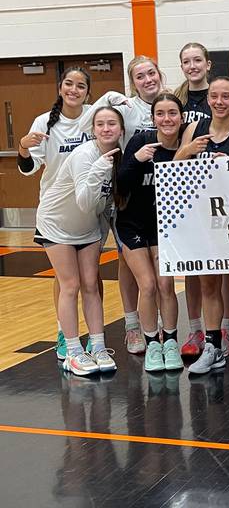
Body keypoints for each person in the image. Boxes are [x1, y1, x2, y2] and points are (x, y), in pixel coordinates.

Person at [79, 56, 169, 355]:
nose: (147, 80)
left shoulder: (172, 102)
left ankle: (159, 328)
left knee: (160, 271)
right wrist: (106, 97)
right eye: (140, 76)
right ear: (133, 82)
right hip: (129, 191)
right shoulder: (126, 108)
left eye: (151, 73)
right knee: (128, 263)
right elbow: (87, 123)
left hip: (163, 194)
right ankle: (133, 326)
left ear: (160, 75)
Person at [175, 76, 229, 376]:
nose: (219, 101)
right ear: (208, 98)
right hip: (202, 221)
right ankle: (213, 346)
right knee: (209, 285)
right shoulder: (193, 130)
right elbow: (174, 171)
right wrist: (187, 151)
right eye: (214, 96)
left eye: (226, 96)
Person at [36, 107, 125, 376]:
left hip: (86, 229)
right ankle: (73, 351)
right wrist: (99, 168)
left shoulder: (120, 156)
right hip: (57, 224)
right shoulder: (84, 155)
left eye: (112, 124)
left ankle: (97, 346)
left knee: (91, 285)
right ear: (93, 129)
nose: (106, 128)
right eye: (100, 124)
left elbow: (103, 206)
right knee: (70, 285)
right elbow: (86, 203)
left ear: (121, 129)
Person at [18, 67, 94, 360]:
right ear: (60, 87)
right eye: (68, 84)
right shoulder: (44, 122)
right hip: (57, 212)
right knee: (66, 280)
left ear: (88, 92)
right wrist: (23, 148)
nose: (74, 90)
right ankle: (65, 332)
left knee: (90, 280)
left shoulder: (93, 116)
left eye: (80, 86)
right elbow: (28, 169)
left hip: (89, 209)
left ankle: (93, 335)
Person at [116, 93, 185, 372]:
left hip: (164, 226)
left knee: (166, 285)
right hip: (131, 224)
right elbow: (120, 183)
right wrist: (135, 159)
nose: (166, 119)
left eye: (172, 113)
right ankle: (151, 343)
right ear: (153, 117)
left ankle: (170, 341)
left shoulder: (185, 146)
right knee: (147, 285)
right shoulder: (141, 141)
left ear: (182, 117)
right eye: (160, 114)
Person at [174, 43, 218, 358]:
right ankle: (194, 330)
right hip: (187, 187)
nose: (192, 66)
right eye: (186, 61)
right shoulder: (176, 100)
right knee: (193, 266)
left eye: (197, 60)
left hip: (219, 187)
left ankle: (223, 330)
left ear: (208, 63)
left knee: (224, 267)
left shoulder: (219, 94)